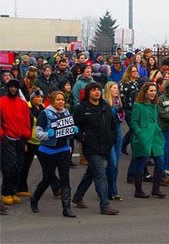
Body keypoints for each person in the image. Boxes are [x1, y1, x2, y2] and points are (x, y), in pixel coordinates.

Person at [72, 82, 119, 215]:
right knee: (100, 173)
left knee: (91, 173)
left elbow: (113, 124)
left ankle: (77, 197)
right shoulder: (82, 108)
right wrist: (82, 138)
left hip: (106, 145)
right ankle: (105, 205)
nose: (97, 92)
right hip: (91, 147)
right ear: (88, 93)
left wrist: (112, 137)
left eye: (98, 90)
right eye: (93, 90)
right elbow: (75, 128)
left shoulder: (105, 106)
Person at [30, 91, 77, 217]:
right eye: (58, 100)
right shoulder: (45, 114)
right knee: (48, 178)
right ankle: (34, 199)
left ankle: (66, 208)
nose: (61, 102)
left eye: (62, 99)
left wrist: (73, 132)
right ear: (52, 101)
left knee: (65, 179)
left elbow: (68, 133)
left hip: (63, 149)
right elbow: (37, 133)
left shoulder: (66, 112)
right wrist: (47, 135)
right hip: (48, 150)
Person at [130, 82, 167, 199]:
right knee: (141, 163)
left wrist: (158, 130)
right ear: (145, 92)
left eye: (154, 91)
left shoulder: (154, 105)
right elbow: (134, 122)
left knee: (160, 162)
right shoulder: (138, 105)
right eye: (150, 91)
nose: (153, 93)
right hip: (144, 137)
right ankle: (138, 190)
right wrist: (140, 134)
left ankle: (156, 189)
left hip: (155, 137)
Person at [1, 79, 32, 206]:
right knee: (9, 167)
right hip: (8, 139)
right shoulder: (1, 102)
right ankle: (6, 192)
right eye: (11, 87)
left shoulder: (23, 104)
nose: (13, 89)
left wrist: (26, 135)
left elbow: (27, 120)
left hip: (20, 138)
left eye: (15, 87)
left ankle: (13, 191)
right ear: (7, 88)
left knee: (18, 166)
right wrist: (3, 134)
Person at [104, 82, 125, 201]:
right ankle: (106, 189)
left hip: (118, 134)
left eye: (117, 88)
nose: (116, 90)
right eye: (114, 88)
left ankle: (113, 190)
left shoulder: (118, 103)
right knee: (112, 164)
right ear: (109, 90)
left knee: (116, 166)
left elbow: (121, 117)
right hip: (108, 136)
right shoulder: (106, 104)